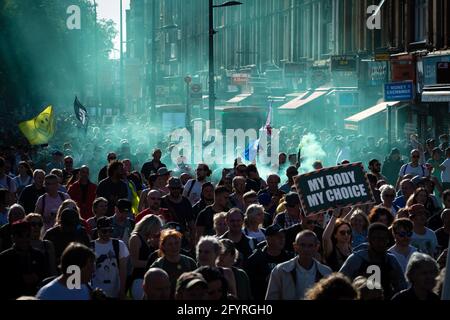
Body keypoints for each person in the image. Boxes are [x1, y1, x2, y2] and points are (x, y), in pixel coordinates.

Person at [339, 223, 407, 299]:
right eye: (376, 238)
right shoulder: (356, 259)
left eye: (383, 239)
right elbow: (339, 284)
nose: (380, 242)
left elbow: (402, 287)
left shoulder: (391, 260)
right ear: (368, 239)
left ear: (388, 240)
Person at [265, 230, 332, 300]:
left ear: (316, 247)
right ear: (295, 246)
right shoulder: (280, 271)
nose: (306, 249)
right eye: (302, 245)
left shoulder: (326, 273)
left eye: (310, 245)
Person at [243, 224, 293, 300]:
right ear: (268, 239)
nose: (282, 239)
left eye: (283, 236)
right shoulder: (255, 259)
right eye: (278, 237)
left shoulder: (289, 258)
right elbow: (251, 285)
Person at [0, 220, 46, 300]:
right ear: (13, 237)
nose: (24, 239)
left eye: (27, 235)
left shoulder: (39, 255)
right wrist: (20, 279)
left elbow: (45, 277)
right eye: (20, 235)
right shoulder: (4, 257)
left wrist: (37, 277)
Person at [150, 229, 197, 297]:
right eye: (170, 244)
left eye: (176, 243)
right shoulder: (157, 266)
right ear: (163, 246)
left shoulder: (190, 262)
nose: (174, 247)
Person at [91, 217, 130, 299]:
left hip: (115, 292)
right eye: (104, 231)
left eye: (110, 230)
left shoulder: (119, 245)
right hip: (96, 293)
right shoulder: (91, 246)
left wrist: (122, 290)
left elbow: (123, 269)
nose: (107, 233)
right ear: (98, 231)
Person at [129, 215, 163, 300]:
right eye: (157, 229)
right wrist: (153, 263)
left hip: (148, 279)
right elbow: (134, 262)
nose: (157, 232)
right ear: (150, 226)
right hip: (138, 279)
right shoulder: (135, 238)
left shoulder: (147, 240)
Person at [161, 177, 195, 245]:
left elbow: (191, 222)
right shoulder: (162, 201)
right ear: (169, 188)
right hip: (166, 235)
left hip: (182, 236)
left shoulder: (185, 201)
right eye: (173, 188)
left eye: (178, 188)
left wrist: (192, 239)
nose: (176, 190)